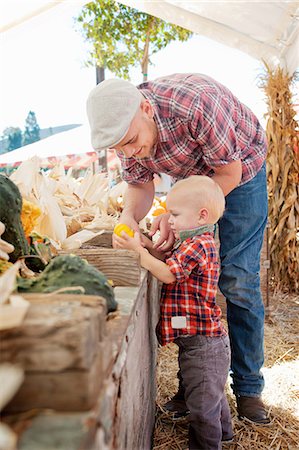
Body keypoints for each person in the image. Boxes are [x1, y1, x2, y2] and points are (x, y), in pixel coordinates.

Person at [86, 73, 270, 424]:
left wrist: (174, 217)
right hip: (191, 183)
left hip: (239, 172)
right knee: (187, 279)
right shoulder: (127, 129)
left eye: (131, 141)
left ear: (145, 109)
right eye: (119, 148)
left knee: (237, 278)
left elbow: (227, 174)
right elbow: (140, 187)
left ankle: (248, 389)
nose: (128, 151)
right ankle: (195, 385)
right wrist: (127, 218)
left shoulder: (195, 105)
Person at [114, 175, 233, 449]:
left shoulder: (199, 244)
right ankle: (224, 433)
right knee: (211, 393)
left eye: (175, 214)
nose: (170, 220)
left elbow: (168, 274)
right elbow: (171, 262)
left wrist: (139, 254)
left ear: (202, 214)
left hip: (204, 344)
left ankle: (207, 444)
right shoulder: (191, 241)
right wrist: (149, 247)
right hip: (200, 342)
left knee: (202, 406)